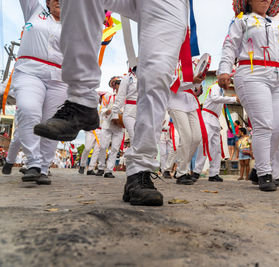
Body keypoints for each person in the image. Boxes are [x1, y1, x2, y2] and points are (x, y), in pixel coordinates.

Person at [34, 0, 192, 206]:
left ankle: (140, 171)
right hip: (122, 114)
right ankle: (81, 99)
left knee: (157, 76)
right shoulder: (126, 81)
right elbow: (118, 100)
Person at [218, 0, 279, 192]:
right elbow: (230, 46)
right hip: (251, 74)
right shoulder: (242, 21)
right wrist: (224, 70)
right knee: (264, 124)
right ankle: (264, 173)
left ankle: (259, 168)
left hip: (277, 77)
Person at [12, 0, 67, 185]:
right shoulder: (34, 10)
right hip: (29, 71)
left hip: (60, 79)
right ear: (48, 2)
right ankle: (33, 163)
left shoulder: (74, 24)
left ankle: (43, 168)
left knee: (52, 124)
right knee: (28, 109)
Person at [192, 82, 239, 182]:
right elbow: (214, 98)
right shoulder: (215, 87)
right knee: (204, 145)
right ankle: (196, 172)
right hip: (207, 118)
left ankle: (214, 173)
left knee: (216, 147)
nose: (229, 81)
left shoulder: (221, 90)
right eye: (227, 79)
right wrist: (233, 99)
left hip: (214, 119)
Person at [168, 69, 205, 185]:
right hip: (175, 102)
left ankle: (181, 168)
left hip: (190, 103)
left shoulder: (191, 63)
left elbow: (196, 91)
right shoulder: (171, 62)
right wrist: (192, 82)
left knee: (197, 138)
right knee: (186, 136)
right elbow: (173, 85)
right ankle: (181, 172)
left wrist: (198, 84)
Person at [95, 77, 124, 178]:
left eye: (121, 83)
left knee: (115, 149)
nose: (119, 85)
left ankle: (109, 170)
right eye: (118, 83)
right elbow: (102, 108)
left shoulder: (126, 97)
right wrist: (106, 111)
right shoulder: (108, 96)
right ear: (114, 85)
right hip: (107, 125)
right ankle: (101, 167)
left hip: (119, 127)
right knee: (103, 146)